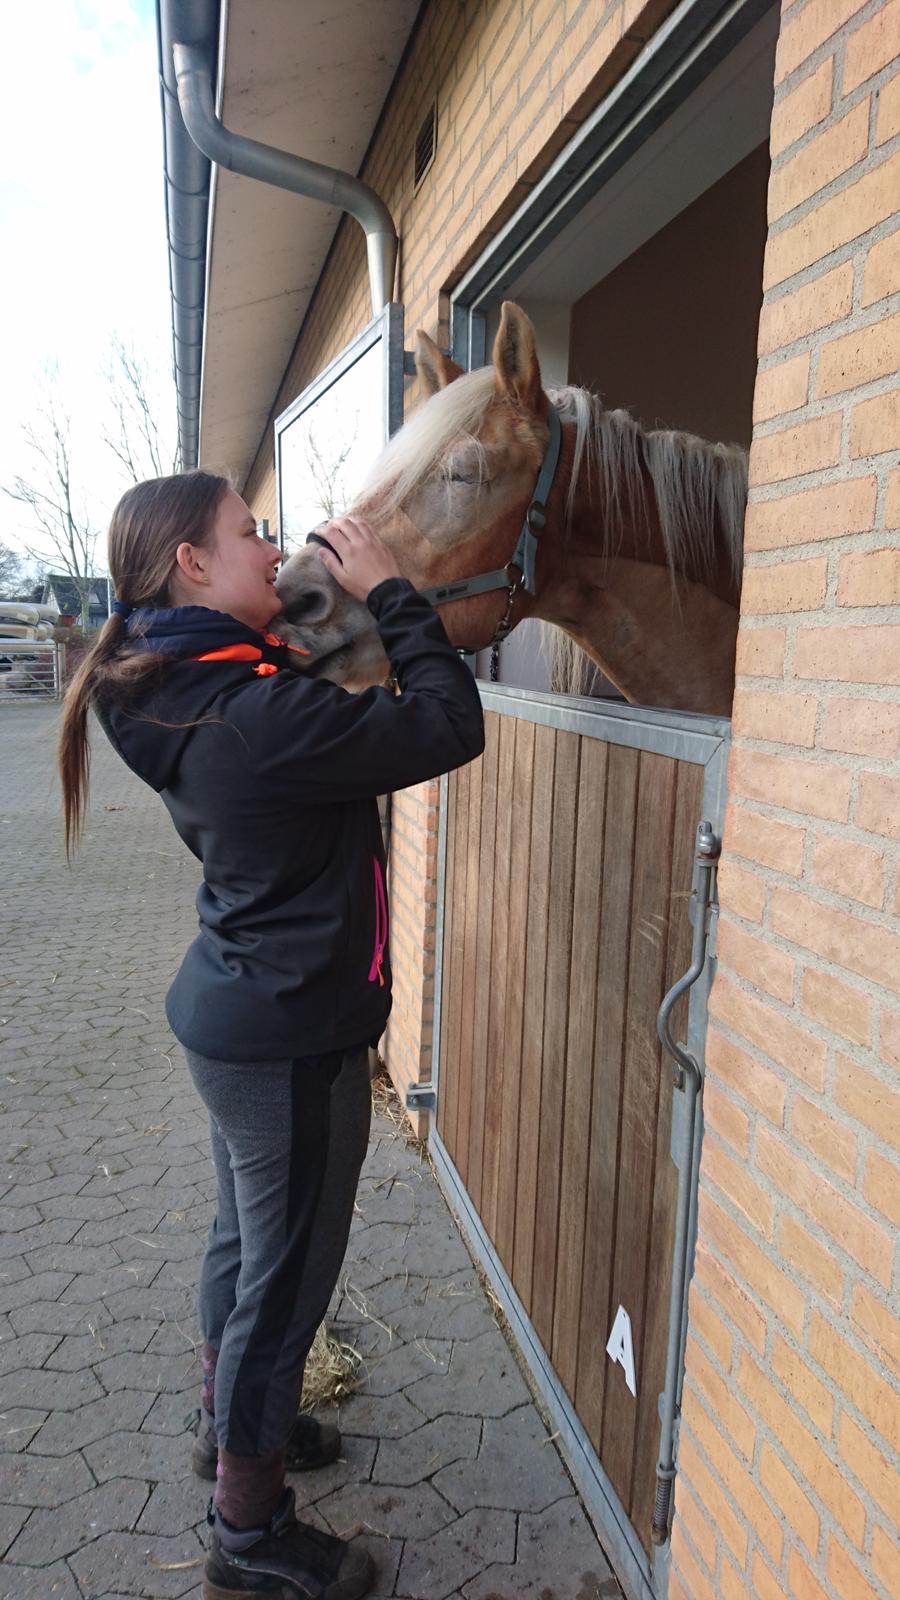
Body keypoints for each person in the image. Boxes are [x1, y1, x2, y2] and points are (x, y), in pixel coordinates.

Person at [58, 471, 485, 1600]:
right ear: (191, 565)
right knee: (286, 1284)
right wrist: (394, 592)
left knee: (247, 1249)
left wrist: (300, 621)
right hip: (289, 1036)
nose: (269, 548)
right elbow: (450, 720)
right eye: (249, 534)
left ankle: (228, 1425)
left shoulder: (177, 680)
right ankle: (248, 1531)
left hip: (239, 1017)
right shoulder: (252, 715)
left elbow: (285, 691)